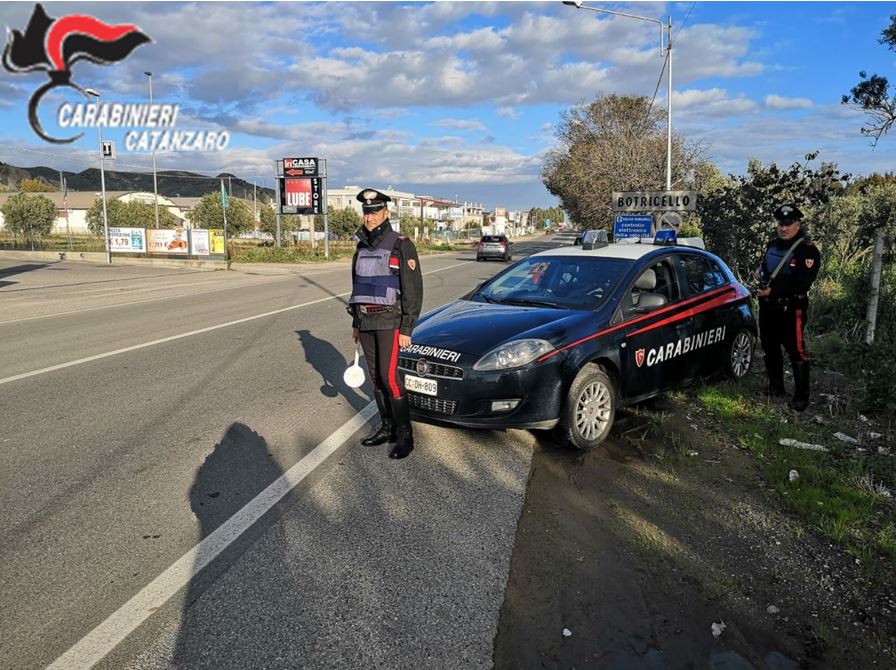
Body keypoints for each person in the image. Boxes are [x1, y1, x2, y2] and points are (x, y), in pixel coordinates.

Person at [348, 188, 423, 459]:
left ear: (386, 213)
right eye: (366, 212)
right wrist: (356, 322)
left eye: (374, 211)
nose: (369, 217)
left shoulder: (401, 244)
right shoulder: (360, 246)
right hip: (366, 319)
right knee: (376, 378)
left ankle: (406, 436)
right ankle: (387, 428)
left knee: (390, 377)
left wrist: (407, 328)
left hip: (390, 320)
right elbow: (357, 285)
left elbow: (413, 290)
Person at [754, 204, 821, 411]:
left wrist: (773, 292)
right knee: (770, 347)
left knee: (796, 350)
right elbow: (766, 267)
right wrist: (760, 273)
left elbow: (802, 283)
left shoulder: (807, 250)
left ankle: (801, 397)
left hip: (792, 308)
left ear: (798, 224)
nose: (784, 228)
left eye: (788, 224)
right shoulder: (772, 245)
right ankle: (776, 387)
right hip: (768, 307)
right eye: (781, 224)